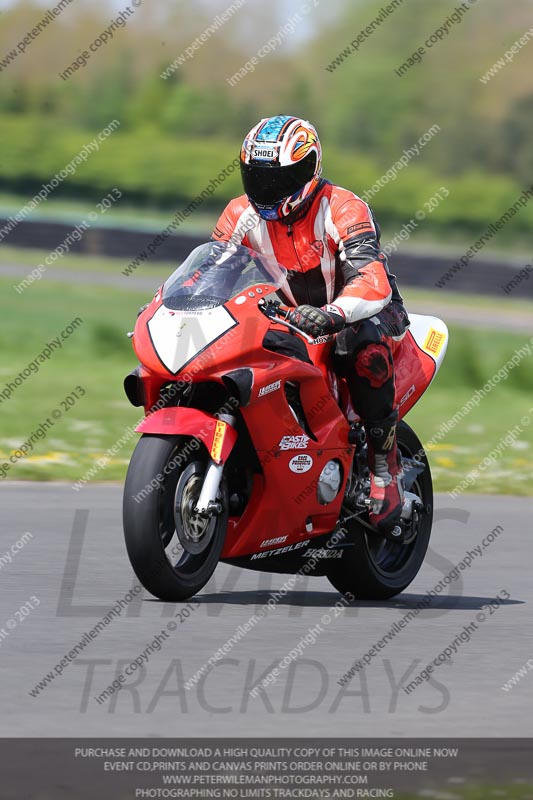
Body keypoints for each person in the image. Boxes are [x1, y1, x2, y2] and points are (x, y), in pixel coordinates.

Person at [211, 115, 410, 535]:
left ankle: (383, 467)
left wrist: (335, 314)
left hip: (363, 312)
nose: (267, 190)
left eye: (280, 178)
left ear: (309, 168)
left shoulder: (343, 206)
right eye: (258, 178)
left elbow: (371, 278)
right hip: (288, 317)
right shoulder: (238, 214)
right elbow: (212, 274)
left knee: (358, 346)